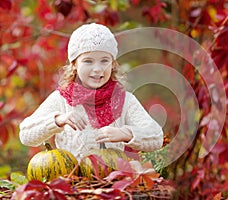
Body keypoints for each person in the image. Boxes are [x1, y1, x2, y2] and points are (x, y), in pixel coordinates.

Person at [19, 23, 164, 161]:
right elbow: (26, 135)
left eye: (104, 61)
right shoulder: (61, 99)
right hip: (71, 183)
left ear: (113, 64)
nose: (97, 69)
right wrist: (58, 120)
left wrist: (125, 133)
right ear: (75, 64)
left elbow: (157, 137)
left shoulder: (124, 100)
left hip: (112, 182)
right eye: (88, 61)